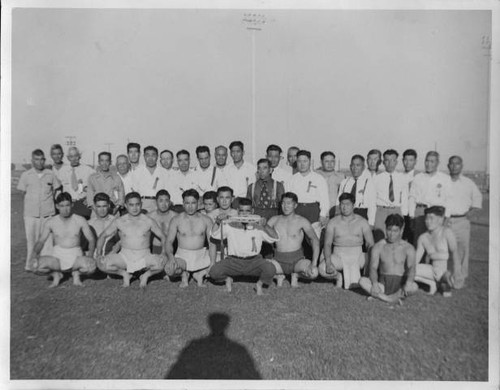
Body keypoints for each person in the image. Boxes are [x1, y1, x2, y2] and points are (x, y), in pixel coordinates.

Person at [208, 198, 279, 295]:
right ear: (237, 211)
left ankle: (259, 284)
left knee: (271, 269)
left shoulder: (258, 226)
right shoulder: (230, 225)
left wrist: (265, 225)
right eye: (241, 211)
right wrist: (217, 222)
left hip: (254, 261)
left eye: (247, 211)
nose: (245, 214)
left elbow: (275, 238)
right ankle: (228, 279)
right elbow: (214, 234)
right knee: (214, 272)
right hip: (233, 261)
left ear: (252, 211)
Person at [96, 192, 167, 288]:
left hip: (144, 256)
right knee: (101, 264)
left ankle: (145, 275)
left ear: (141, 204)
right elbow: (103, 236)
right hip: (124, 256)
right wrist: (99, 254)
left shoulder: (148, 221)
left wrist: (163, 253)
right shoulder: (120, 221)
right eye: (131, 205)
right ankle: (124, 274)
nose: (135, 208)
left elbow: (163, 236)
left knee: (163, 262)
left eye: (137, 204)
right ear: (125, 205)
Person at [27, 192, 96, 288]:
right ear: (57, 206)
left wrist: (90, 255)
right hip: (57, 258)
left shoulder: (80, 220)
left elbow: (91, 239)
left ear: (72, 204)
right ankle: (56, 275)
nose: (65, 209)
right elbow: (41, 241)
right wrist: (33, 255)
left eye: (67, 205)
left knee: (91, 267)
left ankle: (76, 276)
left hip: (75, 255)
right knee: (34, 266)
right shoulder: (51, 222)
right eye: (62, 206)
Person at [17, 149, 61, 270]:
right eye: (36, 159)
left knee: (47, 242)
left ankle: (45, 265)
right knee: (31, 241)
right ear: (32, 160)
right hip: (31, 215)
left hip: (48, 214)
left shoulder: (50, 174)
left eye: (42, 159)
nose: (39, 162)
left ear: (44, 160)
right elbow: (22, 192)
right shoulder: (26, 175)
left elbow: (56, 190)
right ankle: (30, 265)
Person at [319, 193, 374, 289]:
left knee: (376, 258)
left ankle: (366, 279)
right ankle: (338, 277)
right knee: (321, 269)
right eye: (342, 204)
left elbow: (370, 243)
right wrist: (328, 263)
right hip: (339, 255)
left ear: (353, 205)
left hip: (358, 255)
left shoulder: (362, 221)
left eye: (347, 204)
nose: (344, 207)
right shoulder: (333, 222)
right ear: (339, 205)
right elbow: (327, 244)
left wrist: (371, 263)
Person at [359, 214, 418, 303]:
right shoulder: (379, 246)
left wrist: (409, 282)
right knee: (362, 281)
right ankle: (390, 299)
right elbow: (373, 267)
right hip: (383, 284)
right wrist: (375, 284)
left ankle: (382, 297)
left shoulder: (408, 248)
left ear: (401, 230)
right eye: (389, 230)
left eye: (395, 231)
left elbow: (411, 267)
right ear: (385, 228)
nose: (391, 234)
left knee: (414, 286)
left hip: (401, 284)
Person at [267, 192, 319, 287]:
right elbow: (262, 236)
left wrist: (314, 263)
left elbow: (315, 240)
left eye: (289, 203)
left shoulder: (302, 221)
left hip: (297, 261)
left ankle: (296, 275)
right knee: (258, 267)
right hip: (278, 260)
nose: (285, 206)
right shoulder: (274, 219)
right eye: (283, 203)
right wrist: (262, 225)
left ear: (295, 205)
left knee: (314, 272)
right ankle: (278, 276)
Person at [164, 189, 214, 287]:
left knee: (219, 260)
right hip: (182, 256)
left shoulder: (206, 220)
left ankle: (199, 274)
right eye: (187, 203)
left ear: (198, 204)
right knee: (169, 269)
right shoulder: (176, 220)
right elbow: (169, 241)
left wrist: (212, 261)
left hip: (201, 255)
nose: (190, 206)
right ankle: (184, 274)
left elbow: (211, 243)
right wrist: (171, 257)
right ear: (183, 203)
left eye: (193, 203)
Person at [446, 156, 482, 282]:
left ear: (462, 166)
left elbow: (477, 199)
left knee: (462, 250)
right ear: (448, 165)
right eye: (452, 163)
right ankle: (446, 277)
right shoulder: (443, 181)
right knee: (445, 250)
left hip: (462, 221)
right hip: (445, 221)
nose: (454, 166)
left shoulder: (468, 183)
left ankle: (460, 277)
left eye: (457, 164)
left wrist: (471, 213)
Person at [414, 206, 463, 296]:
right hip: (433, 270)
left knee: (448, 289)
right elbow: (416, 259)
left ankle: (446, 284)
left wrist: (456, 271)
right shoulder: (423, 237)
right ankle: (432, 283)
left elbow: (455, 253)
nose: (428, 221)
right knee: (410, 270)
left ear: (440, 220)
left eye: (431, 218)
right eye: (427, 218)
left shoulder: (447, 232)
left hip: (447, 270)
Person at [408, 151, 452, 246]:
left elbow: (449, 200)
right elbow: (412, 197)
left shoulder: (445, 178)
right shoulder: (418, 177)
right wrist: (411, 216)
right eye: (427, 161)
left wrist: (446, 217)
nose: (428, 164)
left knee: (436, 245)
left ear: (437, 163)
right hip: (420, 213)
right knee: (419, 243)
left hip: (437, 214)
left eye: (432, 161)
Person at [284, 150, 329, 228]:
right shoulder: (291, 179)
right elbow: (287, 199)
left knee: (313, 237)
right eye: (299, 161)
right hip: (296, 210)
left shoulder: (318, 178)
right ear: (296, 162)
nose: (302, 164)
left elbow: (324, 199)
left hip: (313, 210)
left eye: (305, 161)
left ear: (310, 161)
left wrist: (322, 215)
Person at [372, 149, 408, 242]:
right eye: (387, 160)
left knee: (396, 240)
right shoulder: (377, 178)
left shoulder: (402, 178)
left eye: (393, 160)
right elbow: (372, 199)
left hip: (396, 210)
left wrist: (403, 215)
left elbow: (404, 198)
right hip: (381, 211)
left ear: (396, 162)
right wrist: (372, 220)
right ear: (383, 162)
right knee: (380, 239)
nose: (390, 163)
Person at [337, 154, 376, 227]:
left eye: (358, 165)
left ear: (363, 167)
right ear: (350, 166)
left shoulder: (369, 182)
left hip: (361, 214)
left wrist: (371, 223)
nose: (355, 168)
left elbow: (372, 205)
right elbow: (338, 201)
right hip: (345, 215)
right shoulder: (345, 182)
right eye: (353, 165)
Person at [58, 146, 95, 219]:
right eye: (71, 156)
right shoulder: (62, 171)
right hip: (68, 205)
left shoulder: (88, 170)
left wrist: (90, 198)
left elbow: (96, 187)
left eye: (76, 156)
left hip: (82, 204)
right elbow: (58, 189)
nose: (74, 159)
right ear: (68, 158)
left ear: (79, 156)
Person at [130, 145, 169, 213]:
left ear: (157, 156)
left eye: (153, 155)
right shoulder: (137, 172)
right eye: (147, 155)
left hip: (160, 204)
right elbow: (134, 192)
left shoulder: (164, 172)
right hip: (143, 204)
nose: (150, 158)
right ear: (144, 157)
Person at [208, 186, 239, 263]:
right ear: (217, 199)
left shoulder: (237, 214)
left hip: (234, 251)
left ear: (232, 199)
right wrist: (217, 222)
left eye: (227, 198)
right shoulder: (211, 215)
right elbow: (210, 238)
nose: (224, 201)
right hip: (216, 252)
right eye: (222, 198)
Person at [315, 151, 345, 218]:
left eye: (332, 161)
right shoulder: (315, 175)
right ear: (321, 162)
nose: (330, 164)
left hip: (335, 213)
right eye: (326, 161)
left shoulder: (341, 177)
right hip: (318, 213)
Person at [148, 190, 178, 255]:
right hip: (156, 248)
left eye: (166, 201)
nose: (164, 204)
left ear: (170, 202)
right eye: (161, 201)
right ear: (156, 202)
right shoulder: (149, 216)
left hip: (172, 249)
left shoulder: (176, 216)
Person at [88, 193, 119, 257]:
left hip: (111, 258)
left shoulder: (116, 221)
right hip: (93, 259)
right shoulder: (89, 223)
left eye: (104, 206)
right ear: (94, 206)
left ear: (109, 206)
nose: (102, 210)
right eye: (99, 206)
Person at [401, 149, 418, 242]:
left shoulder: (418, 177)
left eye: (411, 160)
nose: (407, 163)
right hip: (402, 214)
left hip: (413, 215)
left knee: (414, 241)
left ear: (415, 161)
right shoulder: (399, 176)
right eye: (405, 160)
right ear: (402, 161)